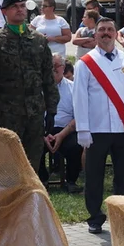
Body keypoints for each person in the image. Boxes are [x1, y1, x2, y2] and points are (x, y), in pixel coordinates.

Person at [74, 16, 124, 234]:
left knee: (123, 176)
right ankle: (95, 217)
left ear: (116, 33)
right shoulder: (85, 63)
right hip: (97, 129)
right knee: (94, 176)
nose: (105, 33)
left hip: (122, 129)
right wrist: (83, 129)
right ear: (95, 34)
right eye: (101, 29)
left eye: (110, 29)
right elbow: (80, 98)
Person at [0, 0, 59, 171]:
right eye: (14, 7)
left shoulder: (39, 41)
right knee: (9, 166)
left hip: (35, 113)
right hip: (7, 113)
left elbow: (48, 78)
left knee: (33, 165)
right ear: (5, 12)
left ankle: (33, 199)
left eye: (22, 6)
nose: (20, 10)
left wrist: (52, 110)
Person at [46, 53, 82, 194]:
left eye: (57, 66)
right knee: (32, 145)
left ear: (63, 68)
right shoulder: (37, 87)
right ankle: (42, 180)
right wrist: (44, 134)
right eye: (51, 66)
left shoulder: (73, 88)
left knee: (76, 145)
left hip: (66, 129)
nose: (54, 69)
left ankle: (71, 180)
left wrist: (61, 135)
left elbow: (78, 116)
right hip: (42, 130)